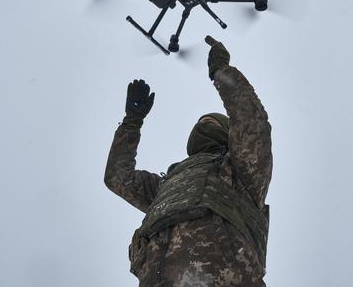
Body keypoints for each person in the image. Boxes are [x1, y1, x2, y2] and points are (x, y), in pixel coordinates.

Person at [104, 36, 272, 286]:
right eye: (201, 124)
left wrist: (220, 71)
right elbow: (118, 178)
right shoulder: (166, 186)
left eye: (212, 122)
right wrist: (131, 123)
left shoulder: (240, 170)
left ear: (228, 137)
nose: (203, 124)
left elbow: (250, 120)